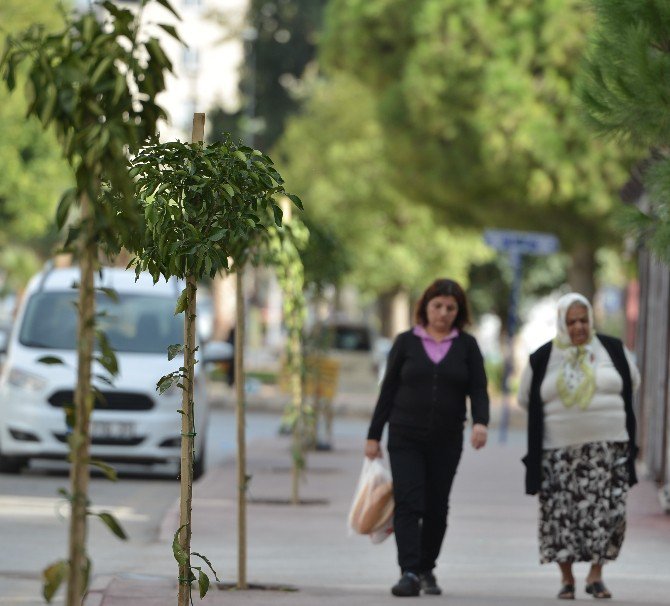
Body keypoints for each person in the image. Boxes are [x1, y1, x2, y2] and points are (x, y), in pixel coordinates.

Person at [365, 278, 489, 597]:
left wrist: (481, 422)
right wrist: (374, 435)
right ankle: (408, 571)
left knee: (436, 506)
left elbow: (478, 388)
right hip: (405, 435)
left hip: (447, 440)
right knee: (409, 502)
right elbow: (388, 388)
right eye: (437, 306)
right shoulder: (406, 342)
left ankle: (426, 568)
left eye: (450, 308)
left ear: (458, 311)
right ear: (425, 307)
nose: (443, 313)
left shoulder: (467, 346)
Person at [517, 293, 640, 600]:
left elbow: (632, 381)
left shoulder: (612, 349)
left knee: (608, 514)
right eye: (571, 321)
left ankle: (596, 576)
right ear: (561, 323)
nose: (578, 327)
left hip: (608, 449)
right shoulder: (543, 357)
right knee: (561, 516)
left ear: (591, 320)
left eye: (583, 320)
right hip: (558, 451)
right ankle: (567, 579)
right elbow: (525, 398)